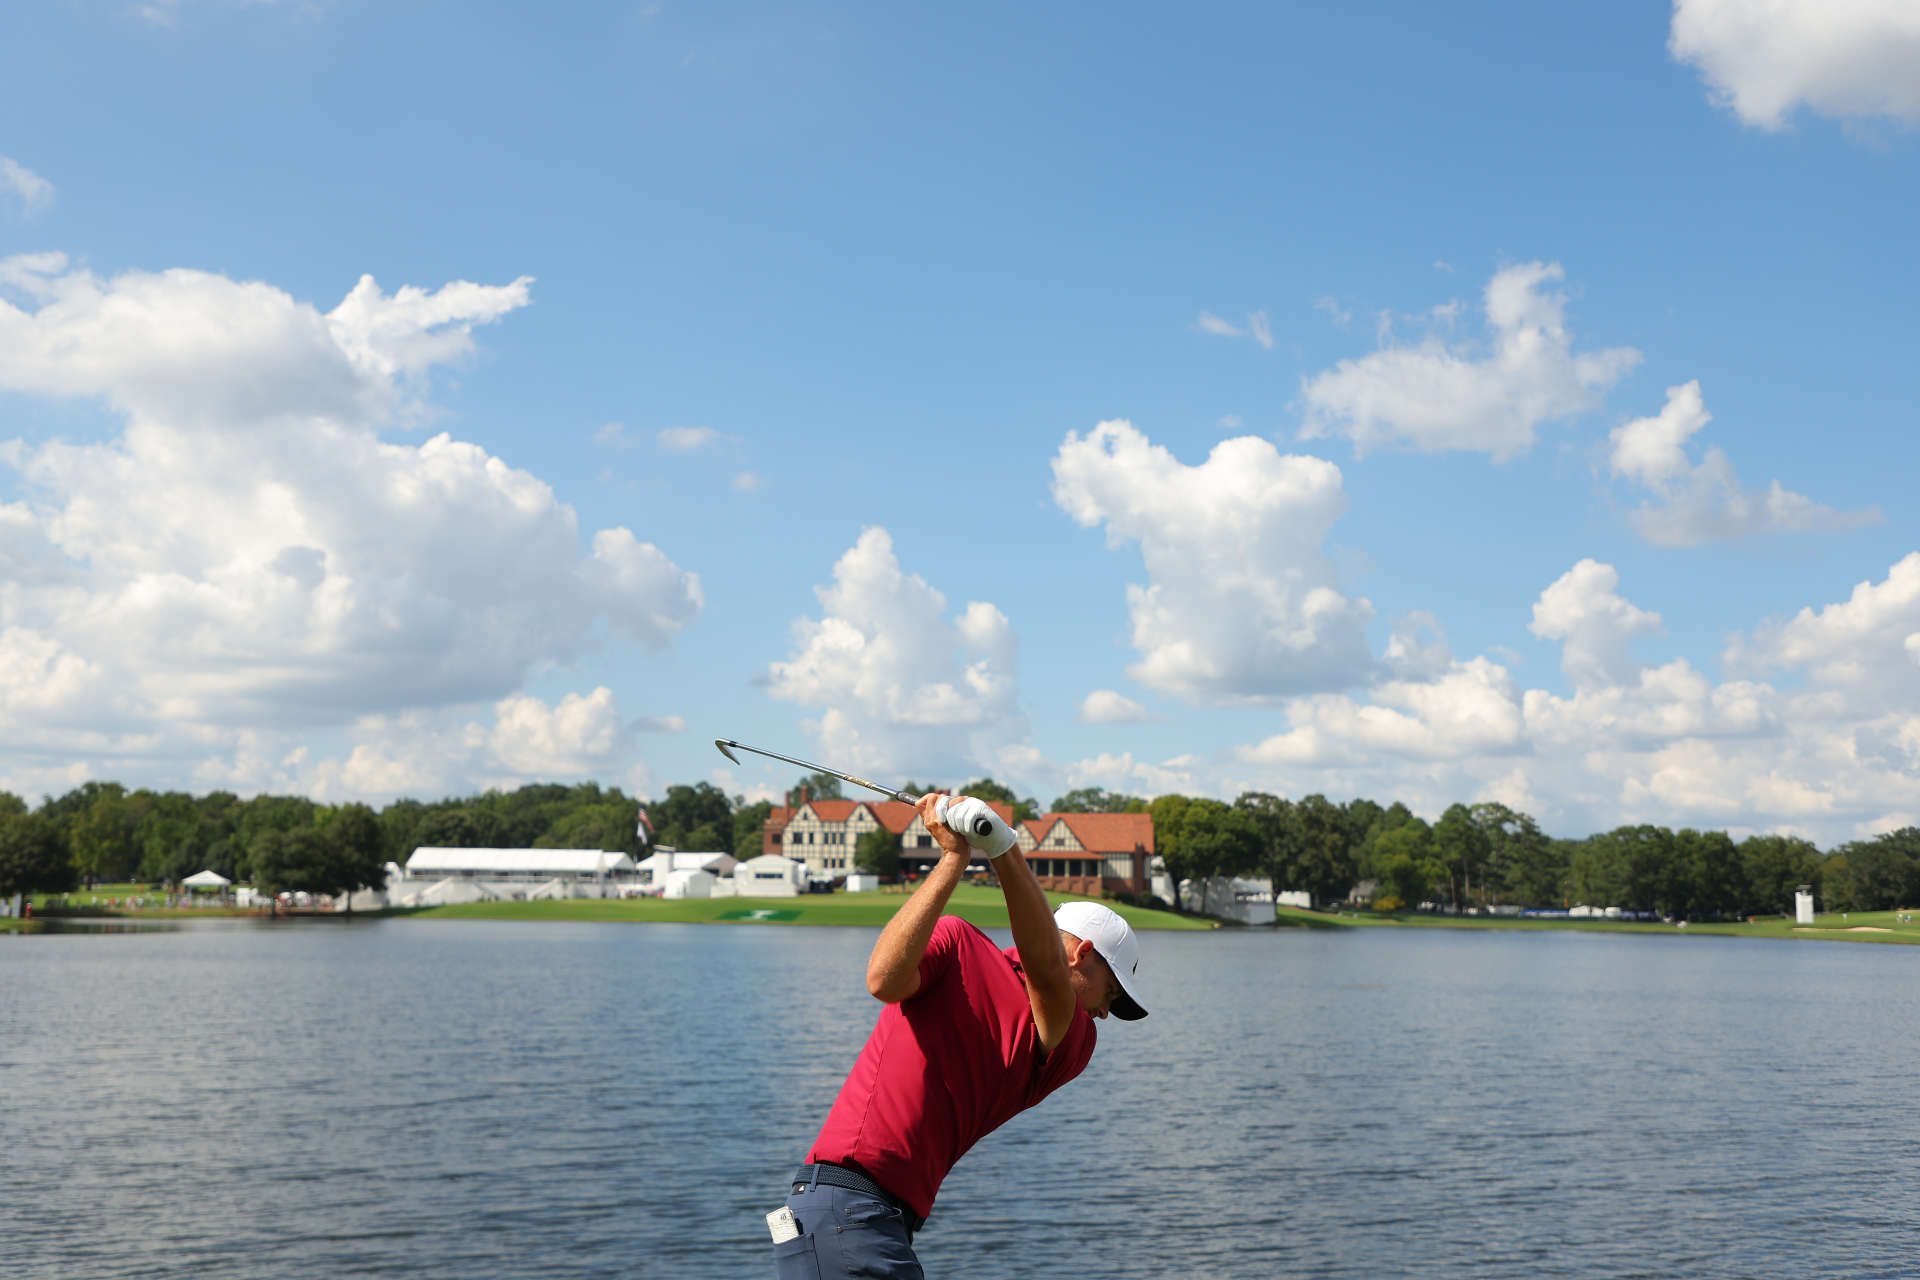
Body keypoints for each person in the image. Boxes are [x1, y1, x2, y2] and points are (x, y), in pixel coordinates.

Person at [769, 790, 1148, 1279]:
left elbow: (1046, 972)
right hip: (844, 1208)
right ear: (1083, 955)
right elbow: (882, 981)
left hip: (864, 1220)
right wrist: (953, 859)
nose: (1104, 1013)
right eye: (1112, 993)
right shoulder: (957, 941)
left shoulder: (1072, 1038)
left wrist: (1004, 846)